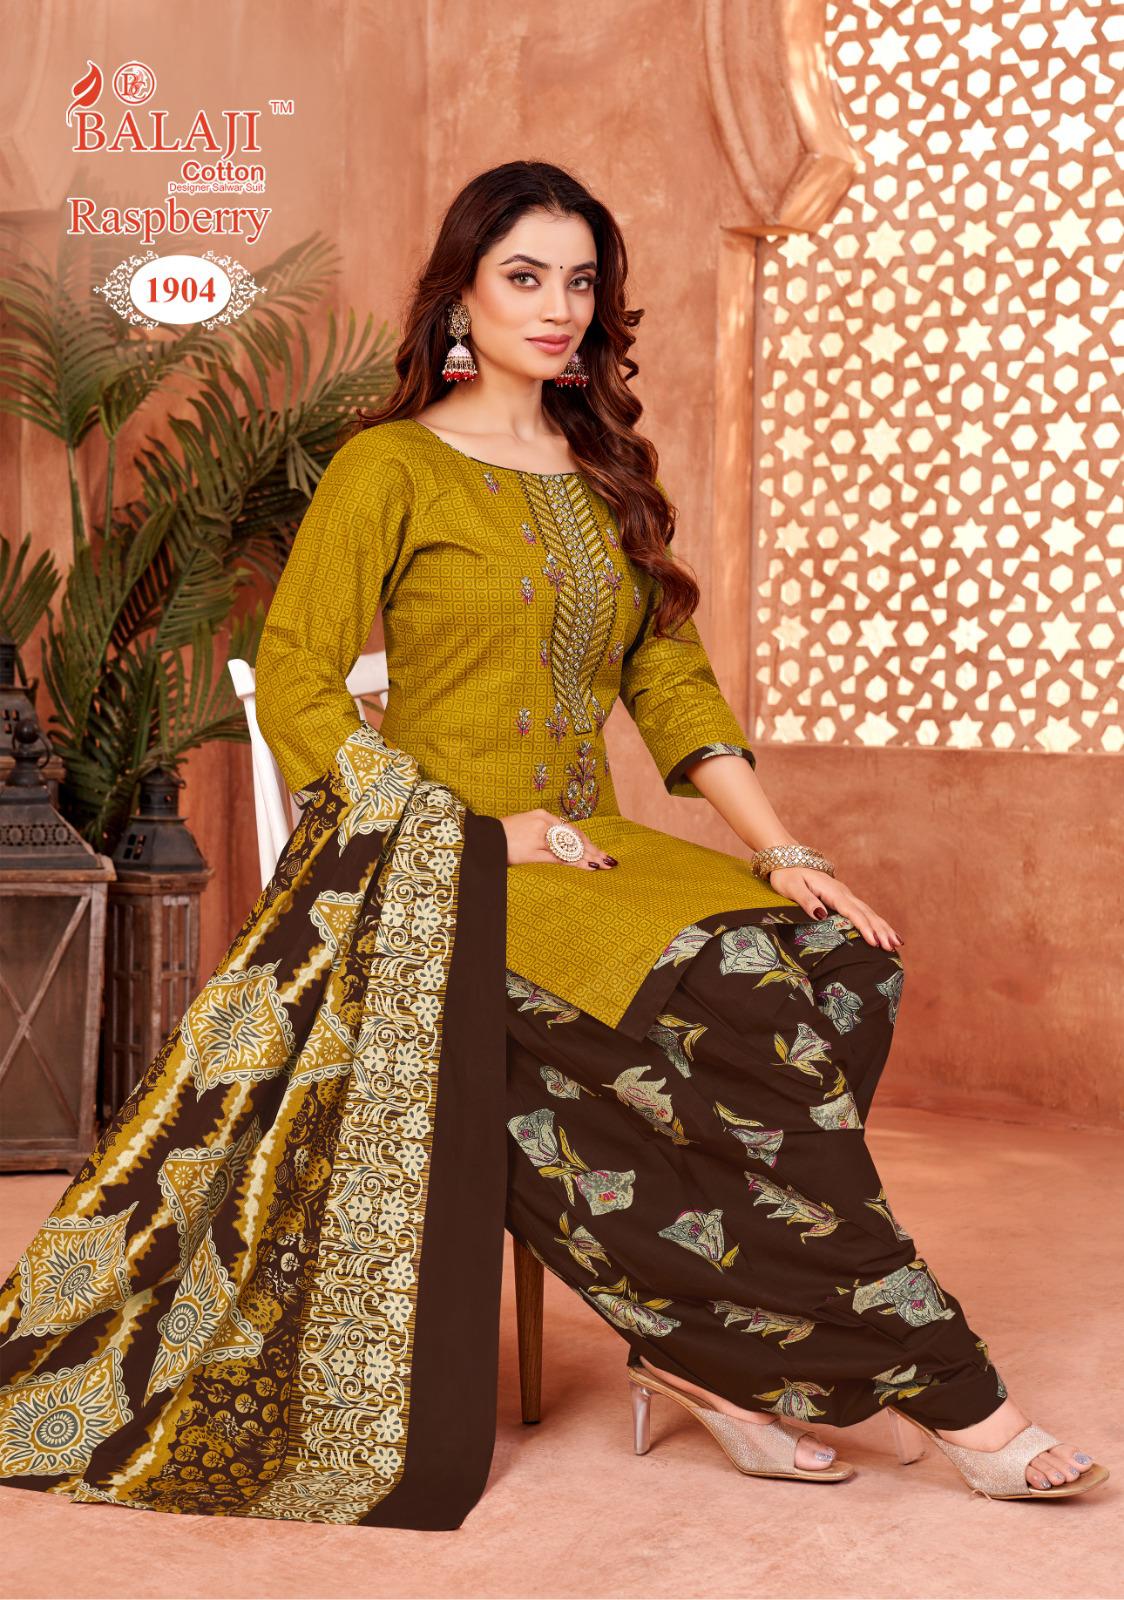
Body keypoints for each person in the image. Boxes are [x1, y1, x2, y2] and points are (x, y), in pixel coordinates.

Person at [0, 161, 1106, 1526]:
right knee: (750, 999)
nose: (559, 306)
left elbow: (671, 681)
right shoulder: (389, 467)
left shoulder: (603, 472)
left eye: (580, 281)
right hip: (447, 869)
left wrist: (782, 851)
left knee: (839, 965)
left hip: (588, 851)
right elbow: (295, 685)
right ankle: (956, 1394)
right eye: (525, 276)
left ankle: (700, 1343)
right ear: (459, 294)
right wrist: (465, 829)